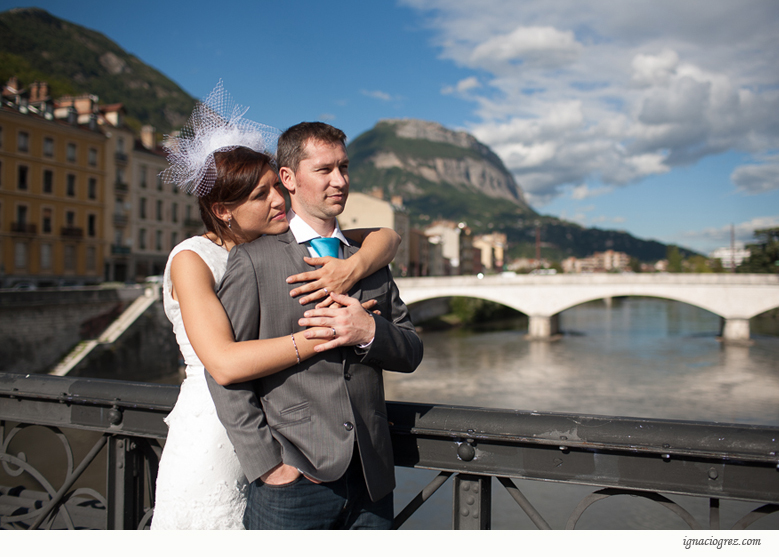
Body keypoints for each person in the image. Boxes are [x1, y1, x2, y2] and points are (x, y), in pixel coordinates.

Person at [151, 82, 402, 530]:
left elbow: (385, 236)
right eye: (260, 196)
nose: (278, 201)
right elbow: (224, 365)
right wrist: (326, 334)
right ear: (223, 210)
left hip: (306, 448)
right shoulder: (195, 259)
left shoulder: (279, 249)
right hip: (220, 435)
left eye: (274, 188)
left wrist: (360, 264)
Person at [205, 122, 424, 530]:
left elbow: (412, 350)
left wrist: (370, 333)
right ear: (288, 178)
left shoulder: (369, 260)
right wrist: (268, 466)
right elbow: (225, 375)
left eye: (344, 167)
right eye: (324, 170)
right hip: (292, 483)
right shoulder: (254, 261)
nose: (339, 181)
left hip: (373, 478)